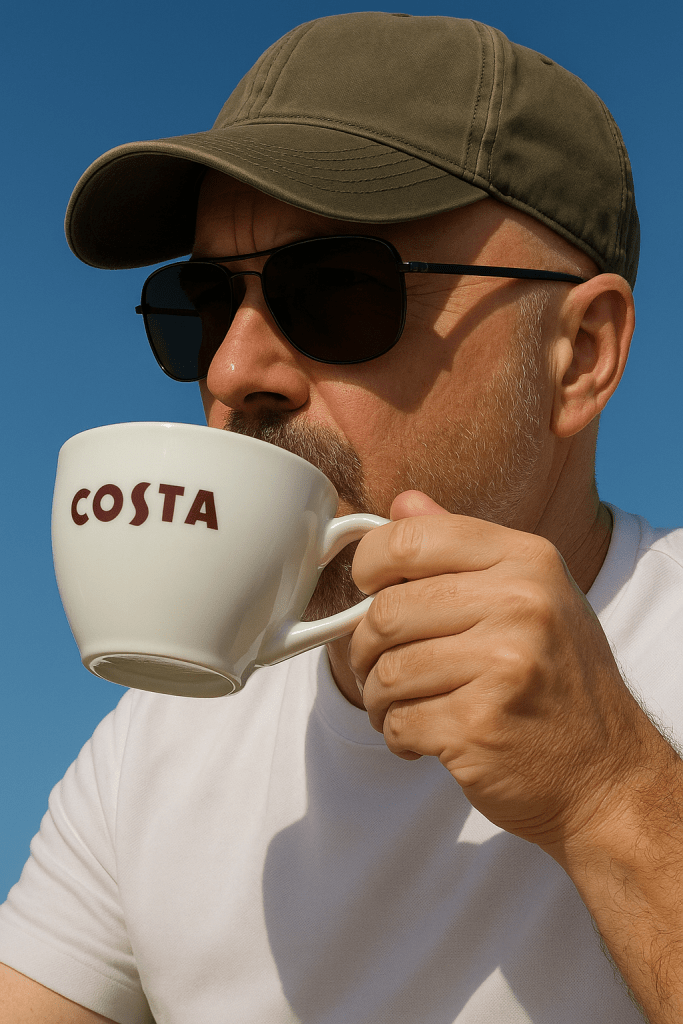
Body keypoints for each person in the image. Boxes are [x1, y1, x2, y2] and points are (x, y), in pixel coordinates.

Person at [1, 11, 682, 1023]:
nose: (234, 372)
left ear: (578, 354)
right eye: (200, 303)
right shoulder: (160, 744)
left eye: (335, 291)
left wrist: (609, 792)